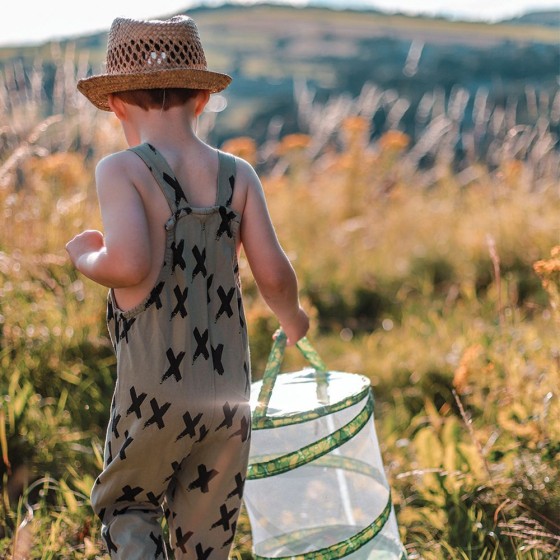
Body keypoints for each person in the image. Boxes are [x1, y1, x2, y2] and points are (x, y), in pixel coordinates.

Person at [66, 14, 309, 560]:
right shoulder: (237, 174)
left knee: (128, 502)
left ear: (117, 105)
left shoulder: (122, 169)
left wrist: (86, 256)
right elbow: (273, 272)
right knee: (207, 530)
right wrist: (293, 319)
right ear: (201, 99)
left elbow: (128, 265)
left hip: (153, 392)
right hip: (229, 396)